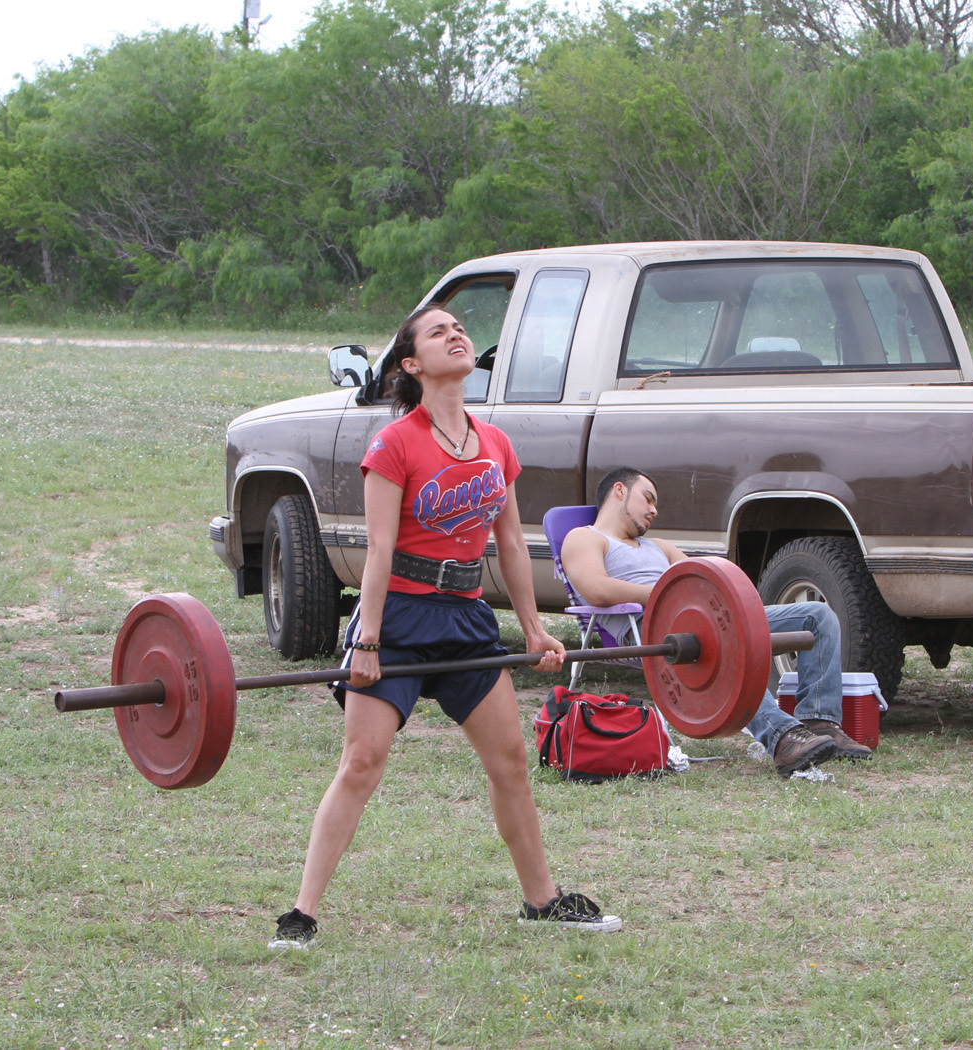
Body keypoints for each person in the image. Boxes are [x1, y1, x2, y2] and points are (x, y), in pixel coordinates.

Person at [269, 305, 621, 950]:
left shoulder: (495, 444)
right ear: (411, 364)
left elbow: (510, 546)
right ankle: (302, 913)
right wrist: (367, 640)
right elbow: (377, 550)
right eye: (438, 332)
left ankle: (542, 902)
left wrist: (536, 630)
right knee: (362, 762)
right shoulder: (394, 444)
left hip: (466, 619)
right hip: (399, 615)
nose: (457, 335)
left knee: (510, 763)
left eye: (460, 327)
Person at [560, 467, 874, 777]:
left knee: (816, 617)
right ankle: (783, 738)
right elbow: (596, 590)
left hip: (700, 620)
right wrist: (665, 595)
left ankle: (820, 721)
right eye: (648, 499)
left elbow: (704, 583)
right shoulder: (585, 537)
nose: (654, 510)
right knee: (725, 644)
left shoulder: (659, 547)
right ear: (619, 491)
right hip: (651, 630)